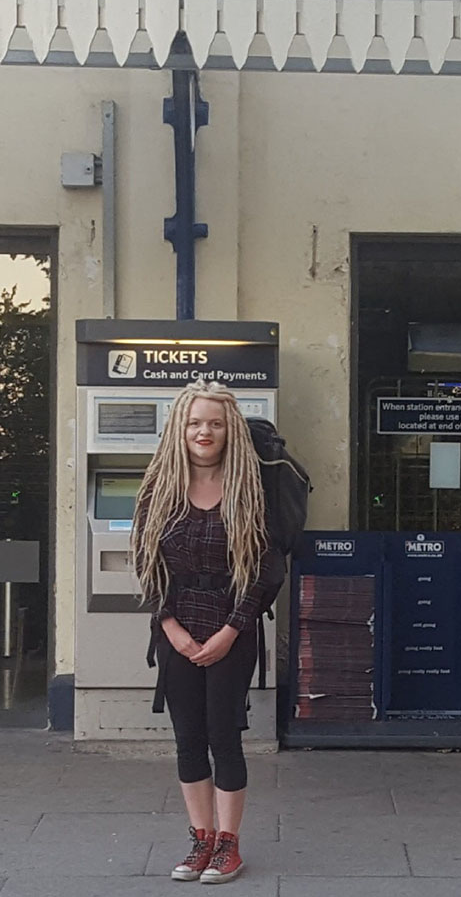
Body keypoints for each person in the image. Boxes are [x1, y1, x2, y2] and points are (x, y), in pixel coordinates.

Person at [132, 379, 281, 884]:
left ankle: (228, 845)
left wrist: (232, 630)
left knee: (225, 739)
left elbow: (264, 569)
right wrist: (169, 625)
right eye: (195, 422)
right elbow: (145, 561)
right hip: (177, 628)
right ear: (181, 427)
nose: (204, 431)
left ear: (229, 430)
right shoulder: (160, 487)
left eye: (214, 423)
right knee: (188, 740)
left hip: (231, 630)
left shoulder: (250, 487)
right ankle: (200, 841)